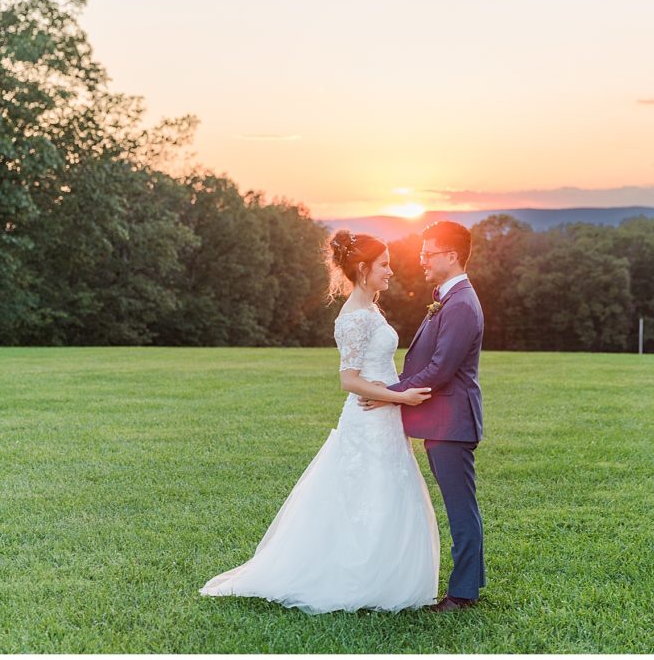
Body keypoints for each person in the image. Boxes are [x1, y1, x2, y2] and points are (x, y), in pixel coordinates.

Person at [199, 230, 440, 614]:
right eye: (384, 265)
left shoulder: (372, 309)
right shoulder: (353, 319)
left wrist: (397, 396)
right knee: (366, 491)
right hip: (368, 419)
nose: (391, 272)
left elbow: (378, 368)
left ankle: (383, 573)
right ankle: (354, 577)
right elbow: (349, 380)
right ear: (363, 269)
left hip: (385, 419)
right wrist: (400, 397)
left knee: (388, 489)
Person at [358, 220, 486, 612]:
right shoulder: (449, 298)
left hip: (451, 423)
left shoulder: (462, 303)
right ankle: (469, 584)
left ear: (450, 256)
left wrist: (387, 395)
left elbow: (440, 369)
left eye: (427, 254)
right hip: (442, 421)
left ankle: (463, 594)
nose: (422, 261)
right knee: (460, 505)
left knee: (460, 507)